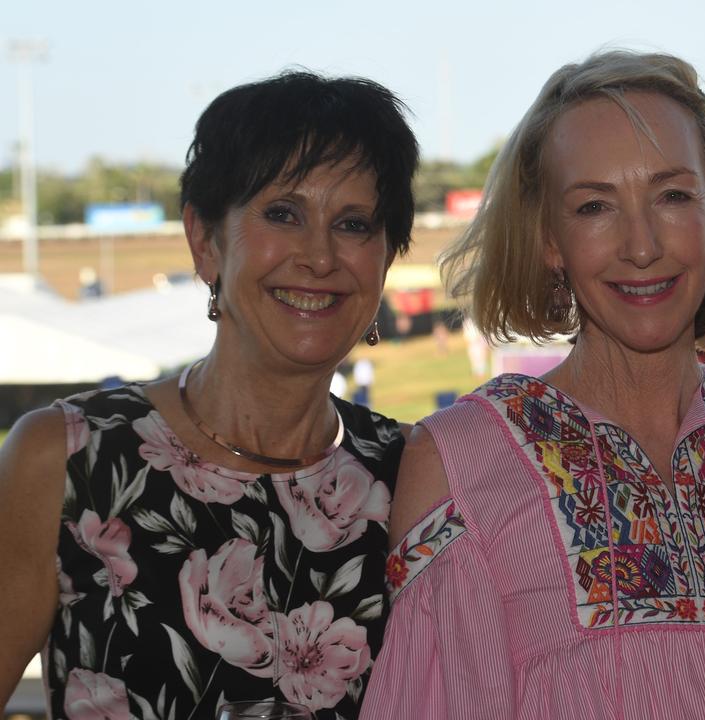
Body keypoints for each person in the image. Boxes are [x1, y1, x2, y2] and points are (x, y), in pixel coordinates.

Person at [361, 50, 705, 719]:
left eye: (672, 196)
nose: (641, 245)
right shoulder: (461, 463)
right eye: (595, 206)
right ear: (550, 240)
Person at [0, 70, 419, 718]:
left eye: (354, 223)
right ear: (204, 241)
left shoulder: (416, 480)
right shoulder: (69, 460)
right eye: (284, 213)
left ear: (387, 257)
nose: (319, 256)